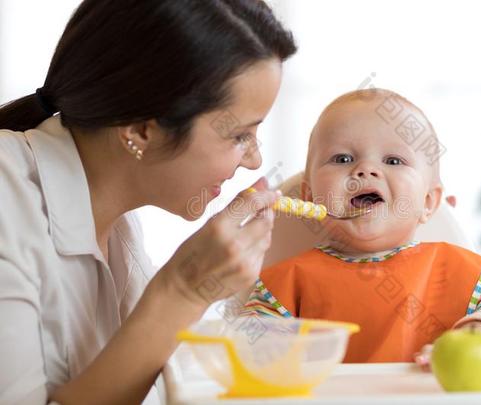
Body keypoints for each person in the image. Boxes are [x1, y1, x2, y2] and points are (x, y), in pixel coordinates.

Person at [0, 0, 296, 404]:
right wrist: (182, 290)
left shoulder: (118, 226)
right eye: (239, 135)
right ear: (140, 131)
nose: (255, 161)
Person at [242, 89, 481, 364]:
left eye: (394, 160)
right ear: (309, 197)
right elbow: (249, 345)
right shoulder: (287, 283)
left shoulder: (457, 270)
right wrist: (271, 348)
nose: (366, 170)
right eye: (343, 158)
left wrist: (480, 336)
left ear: (428, 202)